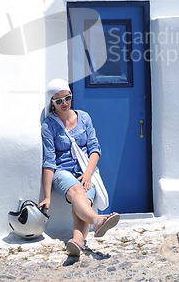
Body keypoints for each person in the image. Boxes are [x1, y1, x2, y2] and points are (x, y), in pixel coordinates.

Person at [39, 78, 120, 257]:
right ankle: (97, 220)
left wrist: (88, 173)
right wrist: (47, 196)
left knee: (82, 202)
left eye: (67, 98)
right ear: (52, 103)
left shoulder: (84, 117)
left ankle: (77, 241)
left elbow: (94, 148)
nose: (64, 103)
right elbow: (49, 161)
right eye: (58, 101)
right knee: (77, 191)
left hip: (85, 171)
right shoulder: (49, 125)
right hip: (63, 172)